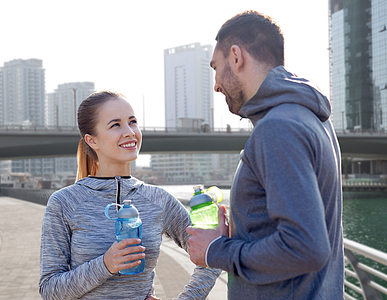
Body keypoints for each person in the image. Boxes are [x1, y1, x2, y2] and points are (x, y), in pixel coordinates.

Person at [186, 10, 344, 300]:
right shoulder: (312, 119)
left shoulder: (278, 128)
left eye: (216, 68)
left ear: (236, 56)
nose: (216, 84)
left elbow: (306, 247)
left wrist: (215, 250)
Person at [39, 90, 220, 300]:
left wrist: (187, 298)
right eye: (115, 125)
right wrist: (106, 264)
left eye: (132, 122)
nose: (129, 132)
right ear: (92, 140)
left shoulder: (159, 200)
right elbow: (49, 289)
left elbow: (212, 254)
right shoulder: (64, 202)